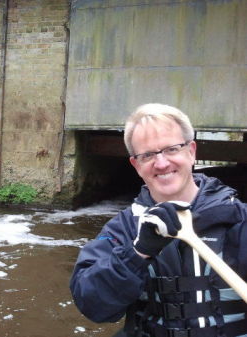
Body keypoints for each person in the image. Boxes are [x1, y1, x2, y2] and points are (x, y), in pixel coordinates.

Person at [70, 103, 247, 337]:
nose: (161, 163)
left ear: (191, 151)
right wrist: (137, 253)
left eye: (171, 149)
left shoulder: (240, 219)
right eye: (148, 155)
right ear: (136, 164)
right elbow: (92, 305)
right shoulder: (123, 228)